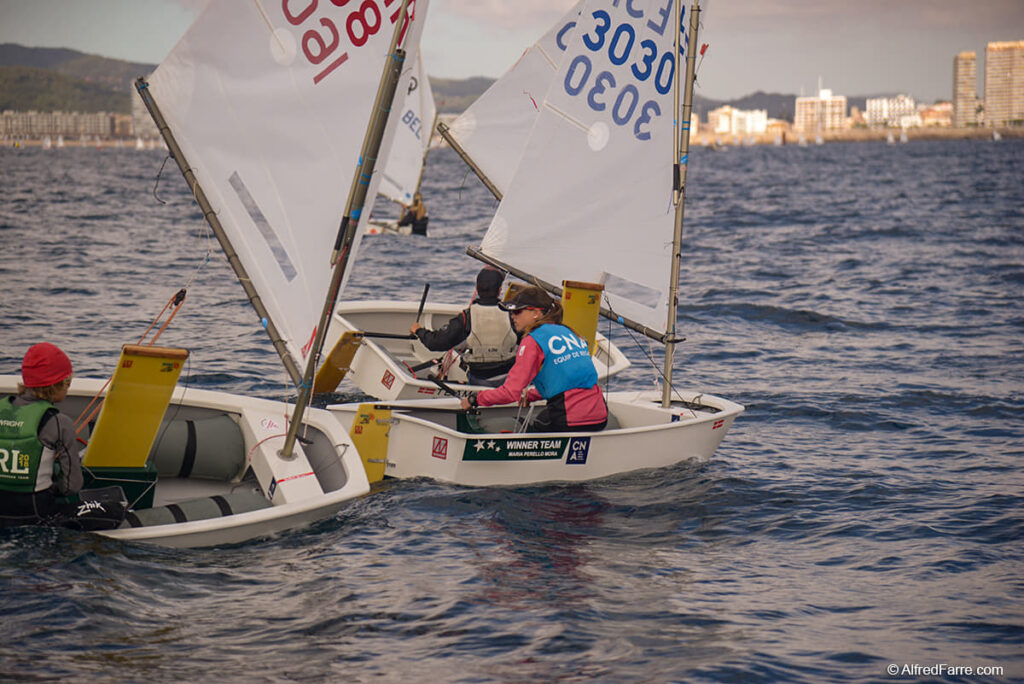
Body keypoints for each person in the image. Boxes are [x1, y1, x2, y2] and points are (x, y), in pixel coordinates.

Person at [459, 286, 608, 432]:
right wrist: (532, 395)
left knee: (526, 424)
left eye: (517, 311)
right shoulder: (568, 331)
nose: (512, 316)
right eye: (511, 312)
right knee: (544, 416)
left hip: (571, 420)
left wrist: (475, 399)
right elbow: (567, 380)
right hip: (600, 415)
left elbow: (510, 393)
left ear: (536, 313)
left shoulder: (533, 340)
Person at [0, 343, 84, 527]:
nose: (69, 387)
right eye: (68, 381)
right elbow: (72, 486)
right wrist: (54, 488)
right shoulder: (59, 421)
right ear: (55, 385)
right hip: (34, 513)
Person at [410, 268, 519, 386]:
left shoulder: (467, 317)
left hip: (478, 379)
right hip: (508, 379)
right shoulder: (513, 316)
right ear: (499, 291)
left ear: (477, 289)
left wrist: (418, 330)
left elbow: (436, 343)